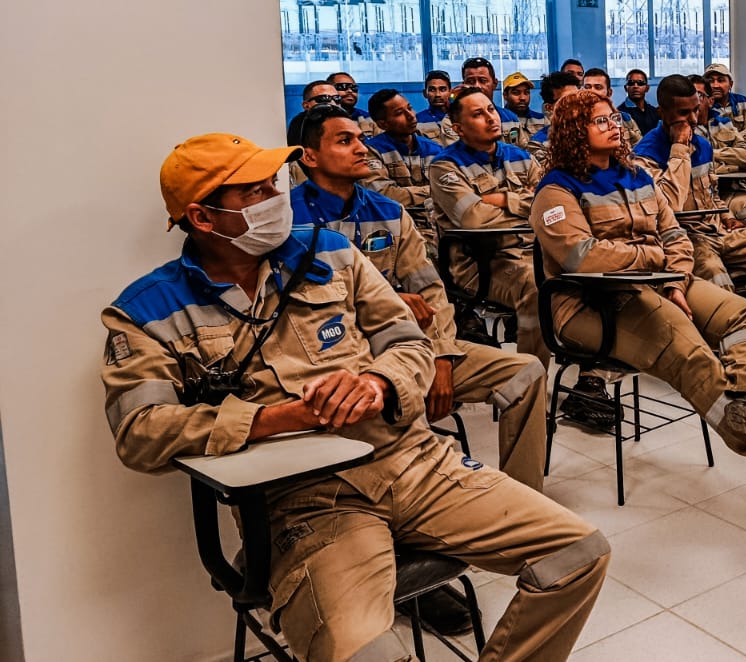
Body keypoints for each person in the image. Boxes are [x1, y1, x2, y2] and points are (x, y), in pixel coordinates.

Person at [102, 132, 607, 662]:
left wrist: (378, 382)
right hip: (305, 501)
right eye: (252, 192)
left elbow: (409, 342)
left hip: (414, 463)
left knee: (579, 554)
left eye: (273, 184)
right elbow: (140, 433)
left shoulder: (334, 255)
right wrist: (279, 418)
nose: (275, 198)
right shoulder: (145, 312)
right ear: (203, 219)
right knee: (363, 652)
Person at [530, 88, 746, 475]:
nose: (613, 125)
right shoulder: (556, 191)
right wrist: (654, 259)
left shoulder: (636, 176)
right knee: (685, 343)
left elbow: (675, 234)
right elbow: (583, 256)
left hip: (662, 282)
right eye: (600, 121)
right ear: (574, 130)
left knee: (743, 314)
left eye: (613, 118)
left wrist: (676, 280)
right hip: (590, 303)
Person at [292, 105, 549, 493]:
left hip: (407, 347)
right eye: (345, 141)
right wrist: (392, 299)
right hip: (333, 359)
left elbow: (431, 292)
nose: (362, 148)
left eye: (360, 139)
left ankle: (523, 496)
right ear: (308, 157)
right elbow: (293, 308)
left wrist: (442, 357)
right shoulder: (287, 219)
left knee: (526, 372)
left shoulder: (389, 213)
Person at [427, 87, 546, 358]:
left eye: (491, 110)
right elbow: (474, 218)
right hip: (479, 265)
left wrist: (505, 200)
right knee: (536, 286)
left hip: (530, 254)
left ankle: (590, 373)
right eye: (478, 114)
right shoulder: (445, 166)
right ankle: (531, 372)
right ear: (458, 128)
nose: (491, 118)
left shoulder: (521, 157)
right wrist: (525, 204)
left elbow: (548, 206)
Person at [634, 74, 746, 291]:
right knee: (718, 280)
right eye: (683, 113)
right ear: (662, 113)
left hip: (717, 230)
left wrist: (727, 216)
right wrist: (679, 148)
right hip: (685, 239)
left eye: (695, 109)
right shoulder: (643, 156)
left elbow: (711, 192)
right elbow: (669, 205)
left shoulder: (703, 144)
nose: (694, 119)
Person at [363, 88, 443, 211]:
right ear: (382, 124)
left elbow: (451, 191)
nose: (411, 116)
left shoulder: (433, 148)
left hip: (434, 222)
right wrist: (431, 191)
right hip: (396, 223)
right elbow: (382, 195)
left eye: (410, 108)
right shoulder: (371, 151)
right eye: (399, 113)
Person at [703, 62, 746, 226]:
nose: (715, 85)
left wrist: (734, 142)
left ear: (730, 84)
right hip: (719, 180)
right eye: (710, 80)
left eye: (721, 80)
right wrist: (735, 149)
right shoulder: (704, 110)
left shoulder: (742, 102)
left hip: (745, 173)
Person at [582, 67, 643, 145]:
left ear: (609, 92)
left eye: (598, 87)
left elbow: (641, 150)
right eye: (587, 87)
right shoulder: (576, 121)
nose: (592, 91)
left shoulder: (625, 120)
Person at [286, 79, 339, 145]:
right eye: (324, 98)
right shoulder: (300, 123)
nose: (332, 103)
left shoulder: (346, 120)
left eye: (337, 98)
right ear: (306, 106)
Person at [500, 72, 543, 150]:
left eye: (526, 93)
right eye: (516, 93)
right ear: (505, 96)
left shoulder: (542, 120)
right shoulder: (498, 120)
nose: (522, 97)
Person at [416, 70, 459, 145]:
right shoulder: (417, 120)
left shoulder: (459, 117)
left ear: (450, 92)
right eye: (432, 90)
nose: (437, 94)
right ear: (425, 93)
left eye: (442, 89)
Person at [328, 72, 377, 137]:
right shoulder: (319, 120)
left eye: (354, 88)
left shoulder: (369, 119)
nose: (350, 91)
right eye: (343, 86)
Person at [618, 68, 660, 134]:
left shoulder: (654, 112)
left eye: (640, 83)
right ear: (626, 88)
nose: (635, 86)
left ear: (647, 88)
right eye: (631, 83)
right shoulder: (620, 113)